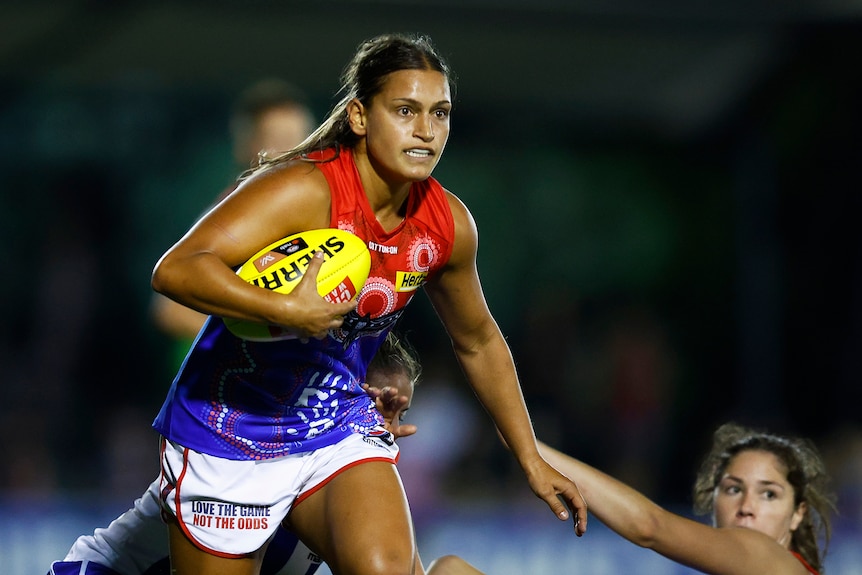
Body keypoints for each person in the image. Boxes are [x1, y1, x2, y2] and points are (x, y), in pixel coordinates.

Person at [149, 32, 585, 575]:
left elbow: (477, 340)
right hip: (228, 431)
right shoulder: (305, 189)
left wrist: (530, 459)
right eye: (406, 111)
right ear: (359, 116)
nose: (427, 131)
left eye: (440, 113)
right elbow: (175, 270)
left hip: (335, 424)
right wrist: (285, 309)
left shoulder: (448, 225)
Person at [49, 333, 424, 575]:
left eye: (396, 413)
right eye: (371, 403)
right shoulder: (282, 462)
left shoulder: (350, 480)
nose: (382, 421)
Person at [514, 422, 834, 575]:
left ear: (797, 514)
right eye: (734, 489)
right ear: (713, 499)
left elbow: (650, 525)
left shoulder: (773, 561)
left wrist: (530, 451)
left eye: (769, 494)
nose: (747, 508)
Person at [151, 78, 316, 350]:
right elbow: (170, 312)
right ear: (247, 146)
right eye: (280, 140)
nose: (296, 151)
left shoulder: (311, 211)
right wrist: (266, 334)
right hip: (219, 385)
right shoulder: (230, 212)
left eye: (304, 139)